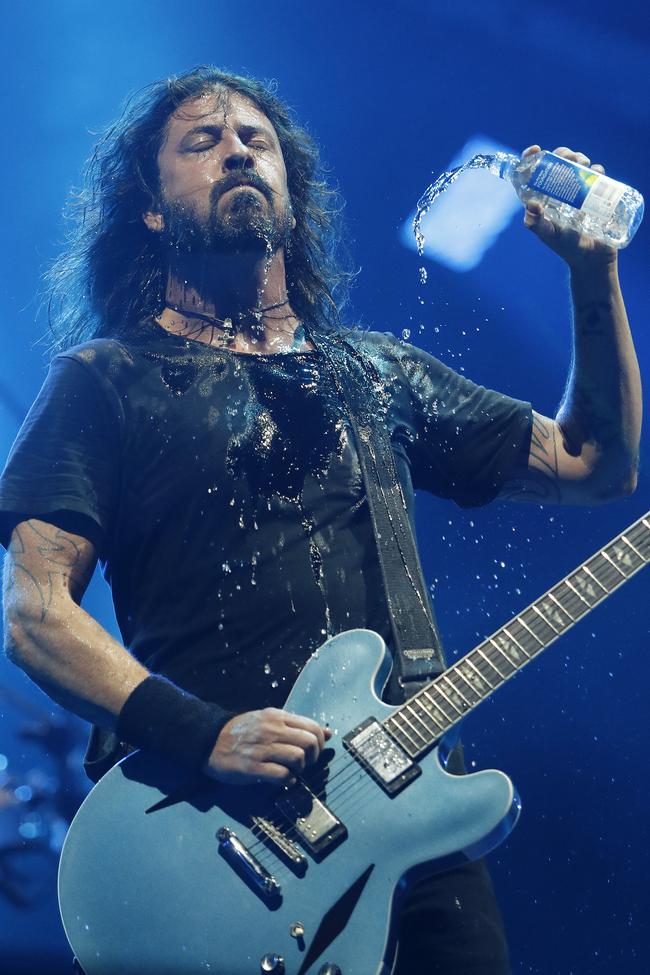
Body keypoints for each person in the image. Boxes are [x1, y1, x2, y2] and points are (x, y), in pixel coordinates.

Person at [0, 66, 641, 975]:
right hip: (205, 846)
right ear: (149, 208)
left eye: (255, 141)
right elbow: (34, 613)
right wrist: (206, 734)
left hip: (414, 834)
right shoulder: (105, 379)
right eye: (203, 141)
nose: (237, 151)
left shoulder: (377, 374)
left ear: (291, 202)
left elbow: (596, 464)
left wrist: (592, 271)